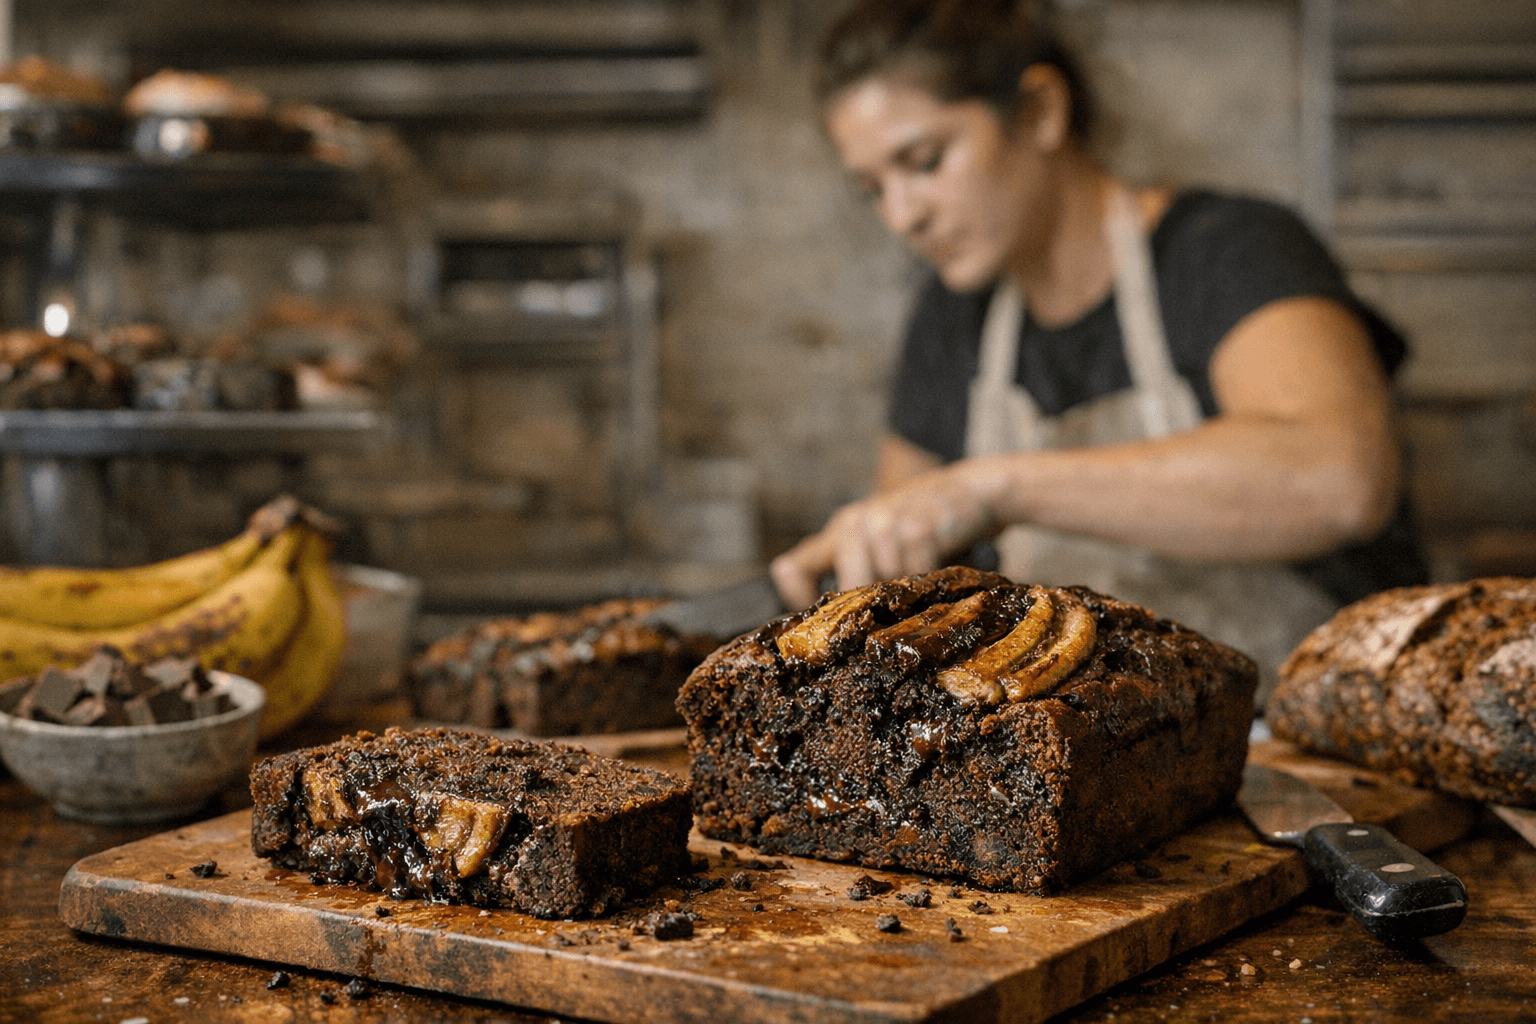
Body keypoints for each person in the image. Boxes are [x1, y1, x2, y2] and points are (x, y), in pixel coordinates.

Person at [768, 0, 1427, 692]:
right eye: (873, 189)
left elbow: (1338, 479)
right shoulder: (952, 320)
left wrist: (992, 486)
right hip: (1102, 738)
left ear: (1041, 112)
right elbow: (907, 550)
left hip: (1307, 725)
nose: (902, 216)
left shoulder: (1232, 251)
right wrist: (865, 556)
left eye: (924, 161)